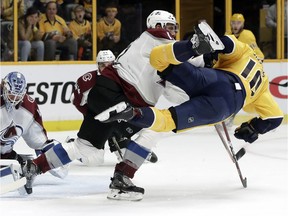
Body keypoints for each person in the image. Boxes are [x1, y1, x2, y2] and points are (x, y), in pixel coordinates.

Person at [95, 21, 284, 199]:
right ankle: (132, 116)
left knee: (157, 61)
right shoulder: (263, 86)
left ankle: (125, 153)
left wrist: (211, 51)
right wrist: (253, 129)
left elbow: (226, 43)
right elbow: (275, 117)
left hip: (203, 80)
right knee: (163, 123)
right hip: (221, 103)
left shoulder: (242, 52)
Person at [20, 10, 181, 201]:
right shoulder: (158, 41)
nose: (173, 31)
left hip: (110, 101)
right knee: (155, 128)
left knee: (84, 148)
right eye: (170, 27)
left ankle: (35, 166)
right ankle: (122, 177)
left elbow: (170, 89)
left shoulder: (146, 45)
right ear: (159, 26)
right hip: (123, 103)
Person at [0, 71, 68, 195]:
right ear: (4, 87)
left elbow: (40, 142)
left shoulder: (28, 107)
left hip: (5, 157)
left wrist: (54, 157)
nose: (14, 99)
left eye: (18, 95)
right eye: (11, 94)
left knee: (55, 163)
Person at [224, 13, 265, 127]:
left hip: (248, 70)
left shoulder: (247, 35)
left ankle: (265, 116)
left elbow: (258, 55)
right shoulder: (228, 34)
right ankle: (228, 118)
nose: (235, 25)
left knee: (251, 98)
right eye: (233, 22)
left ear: (243, 23)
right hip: (235, 70)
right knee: (232, 94)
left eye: (238, 23)